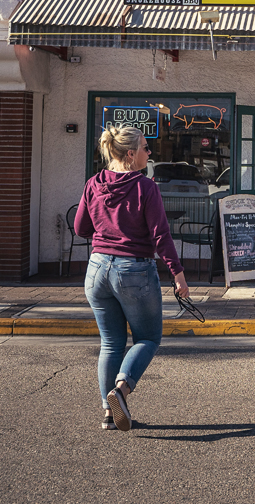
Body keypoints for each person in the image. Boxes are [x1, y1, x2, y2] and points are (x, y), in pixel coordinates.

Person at [74, 124, 188, 431]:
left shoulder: (94, 183)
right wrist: (178, 275)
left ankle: (109, 414)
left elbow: (81, 229)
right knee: (148, 338)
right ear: (130, 154)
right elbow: (160, 235)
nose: (149, 153)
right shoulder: (145, 188)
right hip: (133, 269)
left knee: (111, 342)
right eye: (146, 149)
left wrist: (106, 227)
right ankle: (120, 390)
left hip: (97, 269)